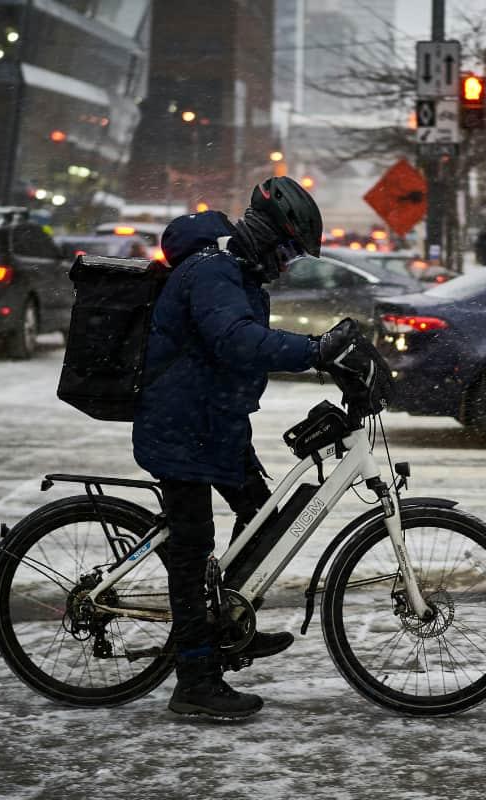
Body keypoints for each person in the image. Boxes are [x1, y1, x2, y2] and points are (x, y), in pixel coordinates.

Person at [132, 176, 357, 719]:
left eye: (293, 258)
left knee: (262, 517)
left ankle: (225, 622)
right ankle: (195, 680)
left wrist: (319, 354)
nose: (286, 265)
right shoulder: (213, 272)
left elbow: (234, 353)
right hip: (181, 427)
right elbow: (235, 340)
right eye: (286, 251)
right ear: (262, 234)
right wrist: (315, 350)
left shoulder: (238, 271)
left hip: (216, 424)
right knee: (192, 552)